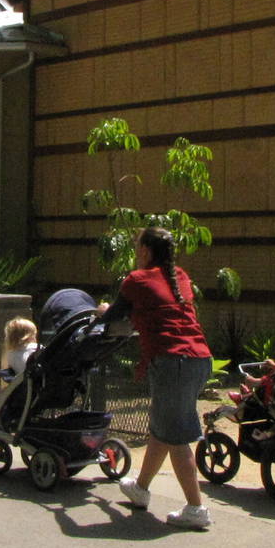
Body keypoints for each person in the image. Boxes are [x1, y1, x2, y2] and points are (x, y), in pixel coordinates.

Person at [99, 226, 214, 530]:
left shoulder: (136, 280)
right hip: (199, 359)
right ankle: (140, 488)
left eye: (138, 247)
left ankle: (196, 507)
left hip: (172, 361)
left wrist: (101, 312)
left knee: (176, 436)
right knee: (164, 428)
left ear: (146, 251)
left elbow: (114, 315)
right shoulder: (180, 277)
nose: (136, 252)